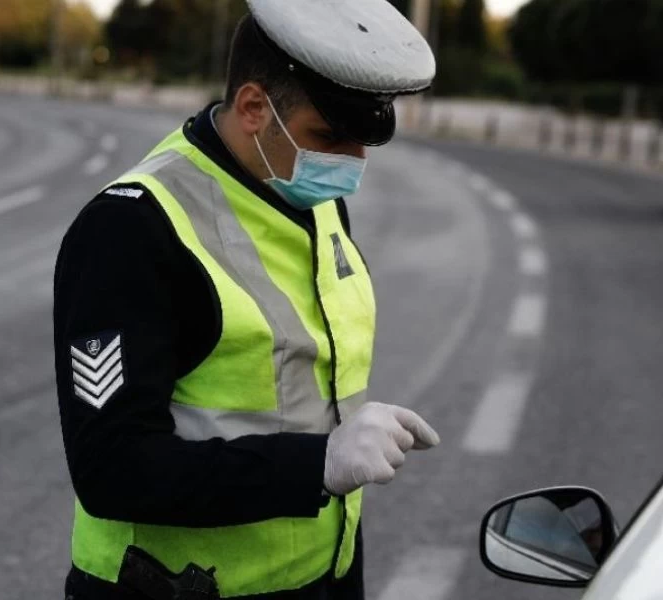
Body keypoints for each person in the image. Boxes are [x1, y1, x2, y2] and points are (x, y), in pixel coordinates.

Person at [53, 1, 439, 598]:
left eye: (363, 141)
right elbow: (112, 470)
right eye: (330, 137)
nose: (353, 163)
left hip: (317, 579)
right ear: (255, 107)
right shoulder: (133, 228)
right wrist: (318, 464)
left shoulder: (309, 197)